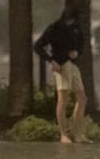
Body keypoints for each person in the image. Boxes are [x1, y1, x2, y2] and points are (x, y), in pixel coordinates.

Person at [34, 8, 89, 143]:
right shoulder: (54, 28)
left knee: (82, 98)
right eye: (69, 20)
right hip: (61, 65)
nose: (71, 23)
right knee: (62, 100)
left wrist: (77, 51)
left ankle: (77, 133)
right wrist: (51, 60)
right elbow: (38, 46)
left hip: (73, 65)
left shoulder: (76, 27)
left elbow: (81, 42)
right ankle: (63, 134)